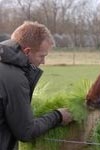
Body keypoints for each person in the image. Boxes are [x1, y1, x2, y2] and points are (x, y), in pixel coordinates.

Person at [0, 21, 73, 150]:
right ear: (27, 51)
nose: (43, 61)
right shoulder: (15, 79)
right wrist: (58, 116)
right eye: (41, 56)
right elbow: (26, 131)